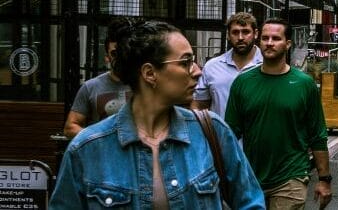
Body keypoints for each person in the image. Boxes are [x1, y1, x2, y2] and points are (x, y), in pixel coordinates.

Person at [51, 20, 264, 208]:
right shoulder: (87, 149)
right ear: (150, 74)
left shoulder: (211, 131)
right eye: (185, 62)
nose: (197, 71)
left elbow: (250, 202)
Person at [225, 18, 332, 210]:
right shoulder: (243, 83)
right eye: (265, 38)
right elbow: (230, 134)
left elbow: (317, 134)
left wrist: (324, 179)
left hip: (291, 177)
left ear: (287, 44)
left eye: (276, 38)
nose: (269, 42)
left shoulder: (304, 84)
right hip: (251, 178)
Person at [63, 16, 133, 138]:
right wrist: (99, 138)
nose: (120, 57)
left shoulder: (144, 85)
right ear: (107, 57)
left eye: (123, 51)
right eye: (114, 53)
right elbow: (70, 127)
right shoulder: (90, 87)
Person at [192, 11, 262, 118]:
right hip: (220, 134)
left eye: (246, 32)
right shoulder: (212, 67)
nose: (240, 37)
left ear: (256, 34)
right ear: (228, 35)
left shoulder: (267, 65)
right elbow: (199, 106)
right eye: (235, 32)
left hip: (256, 134)